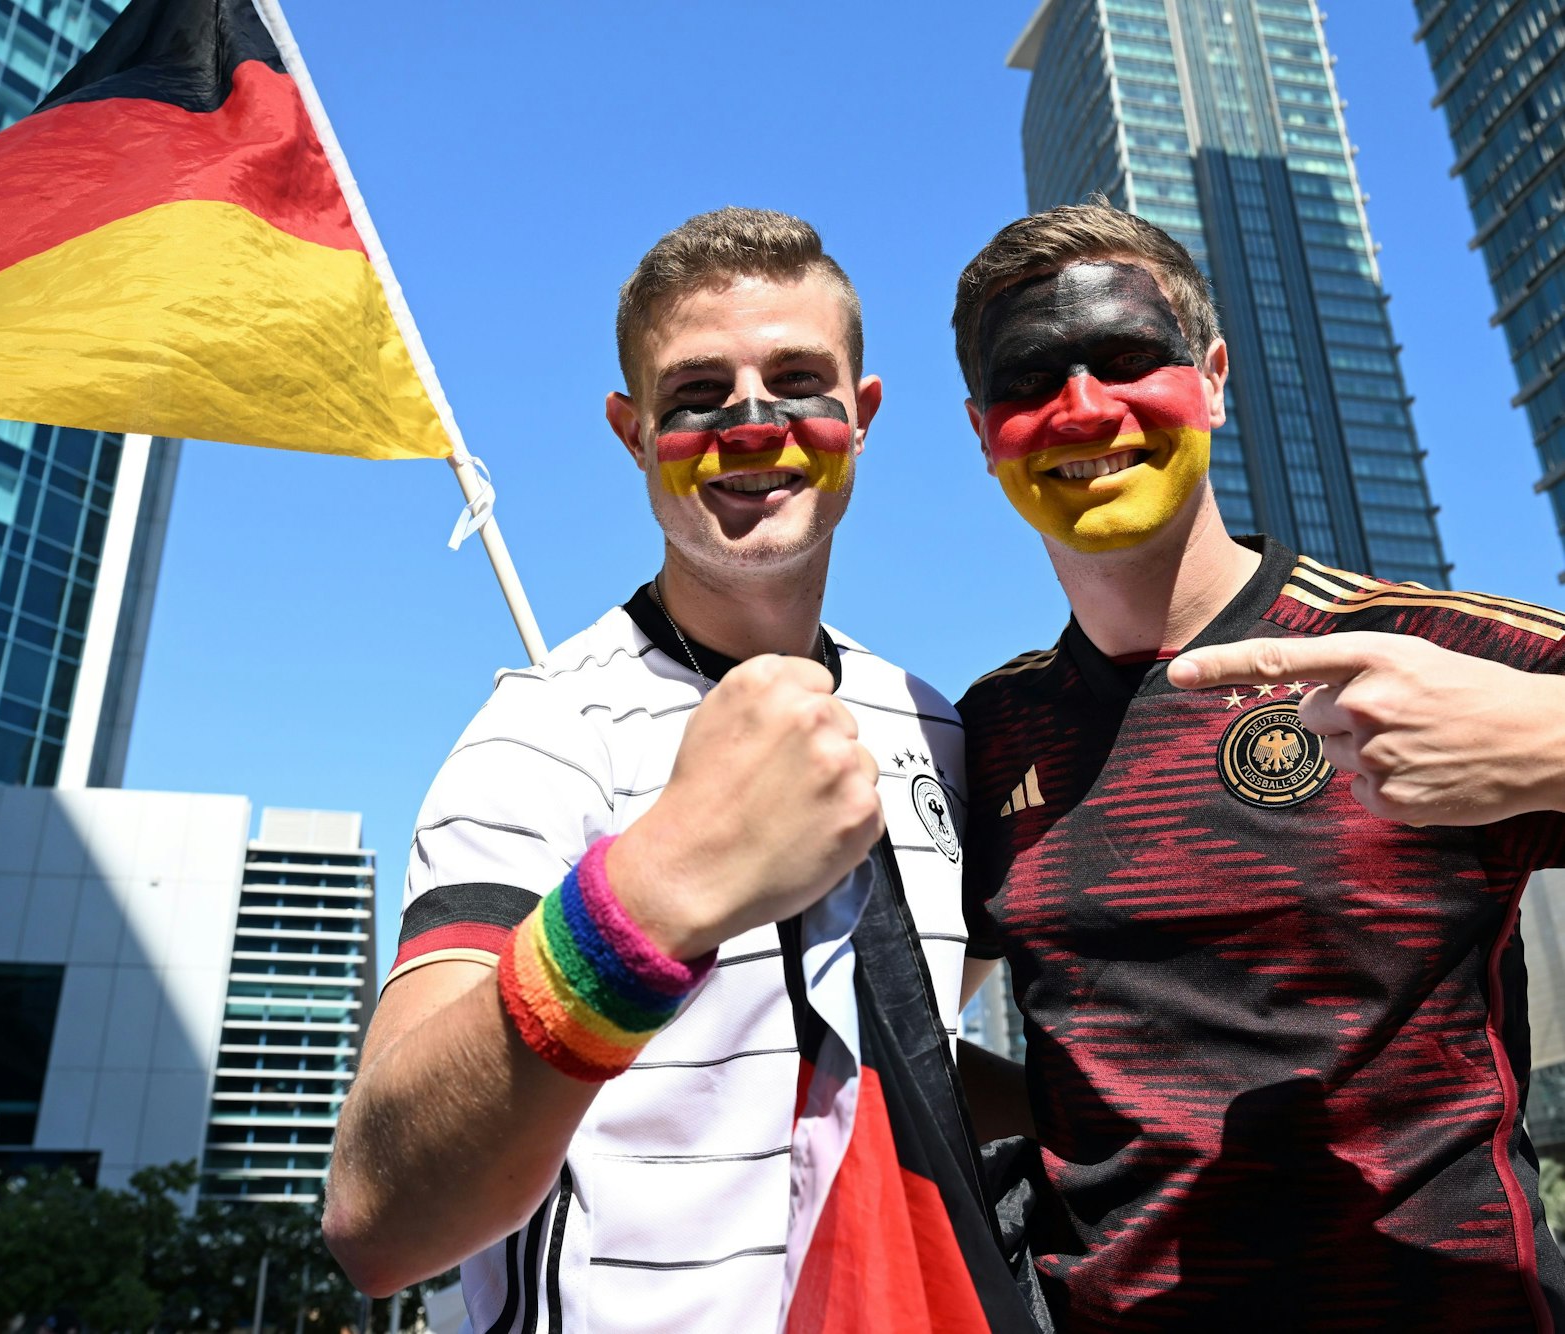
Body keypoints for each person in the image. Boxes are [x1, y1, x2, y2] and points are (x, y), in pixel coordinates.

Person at [322, 208, 985, 1331]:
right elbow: (378, 1216)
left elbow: (907, 1057)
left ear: (863, 416)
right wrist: (648, 899)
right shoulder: (543, 732)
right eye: (696, 396)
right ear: (631, 434)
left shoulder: (935, 729)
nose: (753, 424)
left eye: (797, 381)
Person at [951, 200, 1565, 1331]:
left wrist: (1551, 742)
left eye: (1127, 359)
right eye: (1030, 380)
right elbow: (897, 1032)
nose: (1083, 407)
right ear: (985, 431)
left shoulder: (1420, 649)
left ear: (1215, 378)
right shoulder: (983, 734)